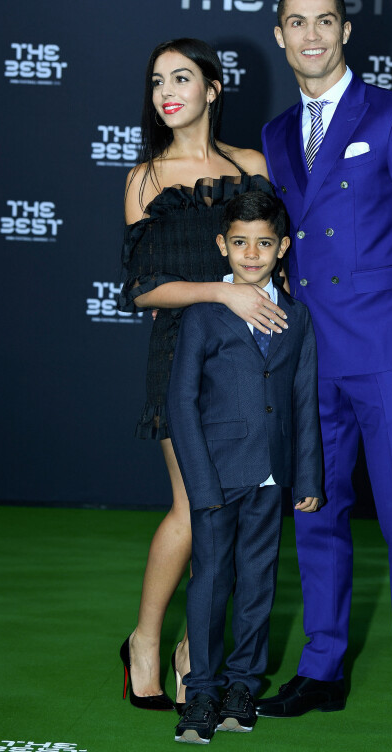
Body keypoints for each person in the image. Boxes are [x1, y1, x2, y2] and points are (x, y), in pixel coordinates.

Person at [256, 0, 392, 745]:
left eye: (325, 21)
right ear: (280, 37)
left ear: (347, 32)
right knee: (315, 515)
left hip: (387, 356)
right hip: (308, 355)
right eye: (295, 23)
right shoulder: (277, 134)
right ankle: (322, 668)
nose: (311, 35)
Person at [117, 38, 290, 712]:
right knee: (195, 510)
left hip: (246, 362)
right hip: (180, 358)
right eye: (158, 79)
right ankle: (145, 642)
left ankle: (196, 650)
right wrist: (219, 292)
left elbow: (270, 256)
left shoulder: (251, 166)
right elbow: (141, 289)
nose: (167, 91)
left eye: (182, 78)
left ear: (213, 89)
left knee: (235, 515)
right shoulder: (144, 179)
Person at [167, 191, 322, 744]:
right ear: (222, 246)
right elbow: (180, 403)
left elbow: (304, 400)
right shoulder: (205, 315)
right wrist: (199, 481)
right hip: (217, 473)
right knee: (211, 581)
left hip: (272, 475)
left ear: (282, 248)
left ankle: (242, 685)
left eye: (263, 243)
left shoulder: (298, 318)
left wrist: (307, 476)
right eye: (239, 243)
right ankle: (202, 690)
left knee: (259, 581)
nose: (251, 254)